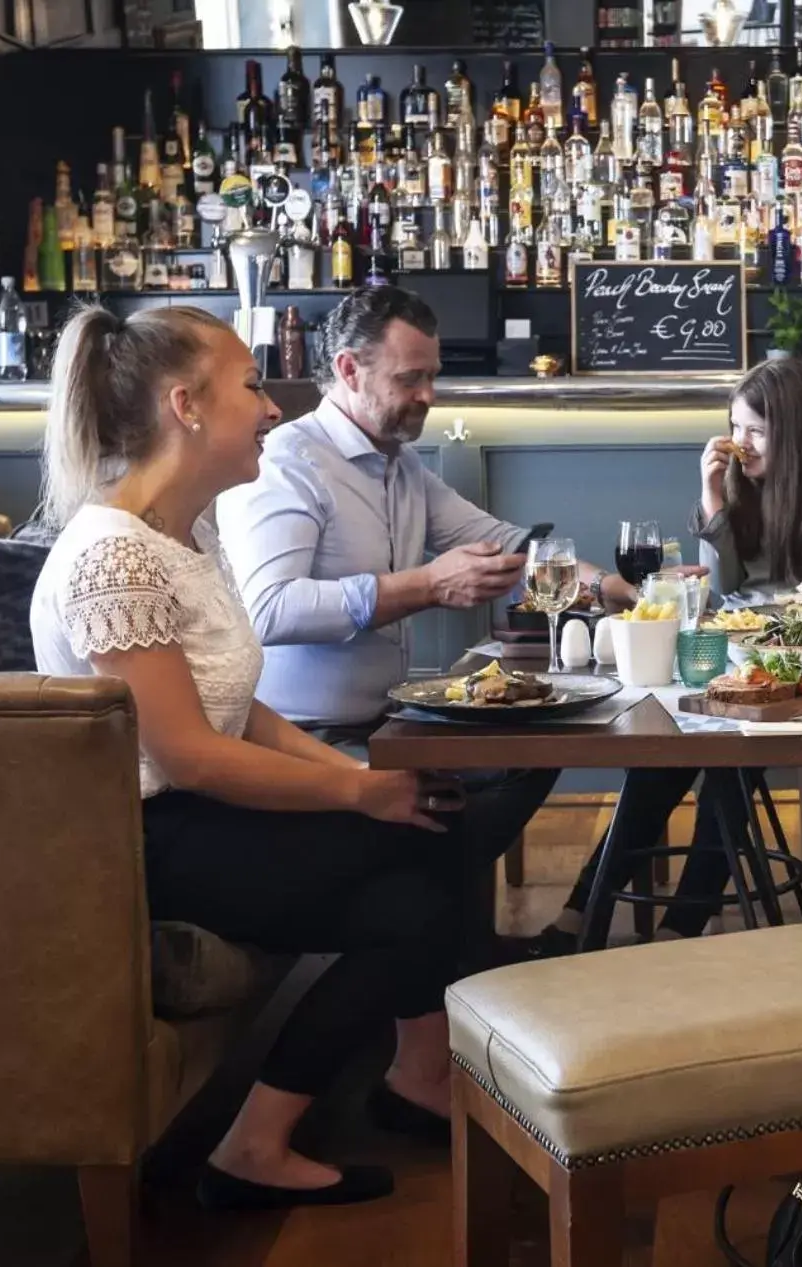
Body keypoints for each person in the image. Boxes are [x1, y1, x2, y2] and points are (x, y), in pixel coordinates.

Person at [29, 305, 475, 1211]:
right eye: (253, 385)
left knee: (427, 863)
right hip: (144, 839)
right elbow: (190, 755)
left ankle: (259, 1142)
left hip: (196, 815)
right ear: (185, 405)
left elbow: (239, 708)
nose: (274, 408)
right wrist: (355, 794)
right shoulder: (112, 557)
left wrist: (364, 780)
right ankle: (285, 1134)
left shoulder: (184, 535)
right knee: (426, 862)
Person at [214, 286, 634, 928]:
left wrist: (611, 592)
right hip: (300, 738)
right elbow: (267, 610)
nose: (429, 396)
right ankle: (436, 948)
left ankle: (446, 943)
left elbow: (514, 547)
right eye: (411, 378)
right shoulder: (287, 464)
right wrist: (426, 586)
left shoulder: (399, 467)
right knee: (448, 818)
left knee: (538, 744)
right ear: (350, 371)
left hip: (385, 723)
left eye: (433, 377)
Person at [525, 358, 802, 954]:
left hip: (797, 658)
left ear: (792, 430)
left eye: (756, 431)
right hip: (729, 646)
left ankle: (677, 927)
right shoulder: (739, 482)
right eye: (735, 427)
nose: (740, 443)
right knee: (658, 764)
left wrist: (801, 611)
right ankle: (588, 907)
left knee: (729, 771)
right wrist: (712, 497)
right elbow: (725, 584)